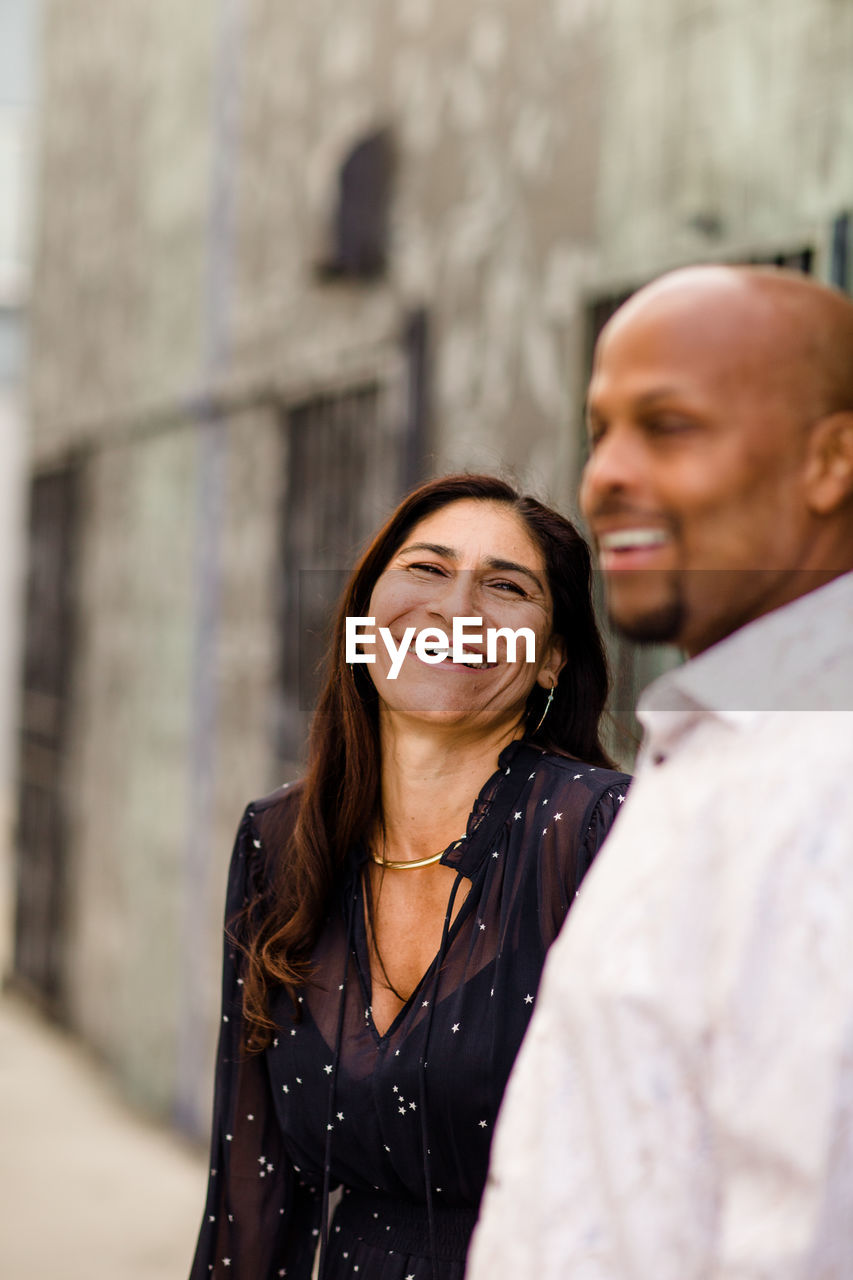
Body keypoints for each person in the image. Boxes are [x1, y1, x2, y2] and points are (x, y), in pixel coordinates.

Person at [468, 265, 853, 1280]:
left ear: (833, 459)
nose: (604, 477)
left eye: (668, 425)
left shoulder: (826, 777)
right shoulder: (721, 743)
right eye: (601, 432)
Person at [189, 473, 630, 1280]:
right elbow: (251, 1192)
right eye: (426, 570)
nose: (456, 611)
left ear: (551, 660)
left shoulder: (604, 833)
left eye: (505, 587)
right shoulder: (279, 841)